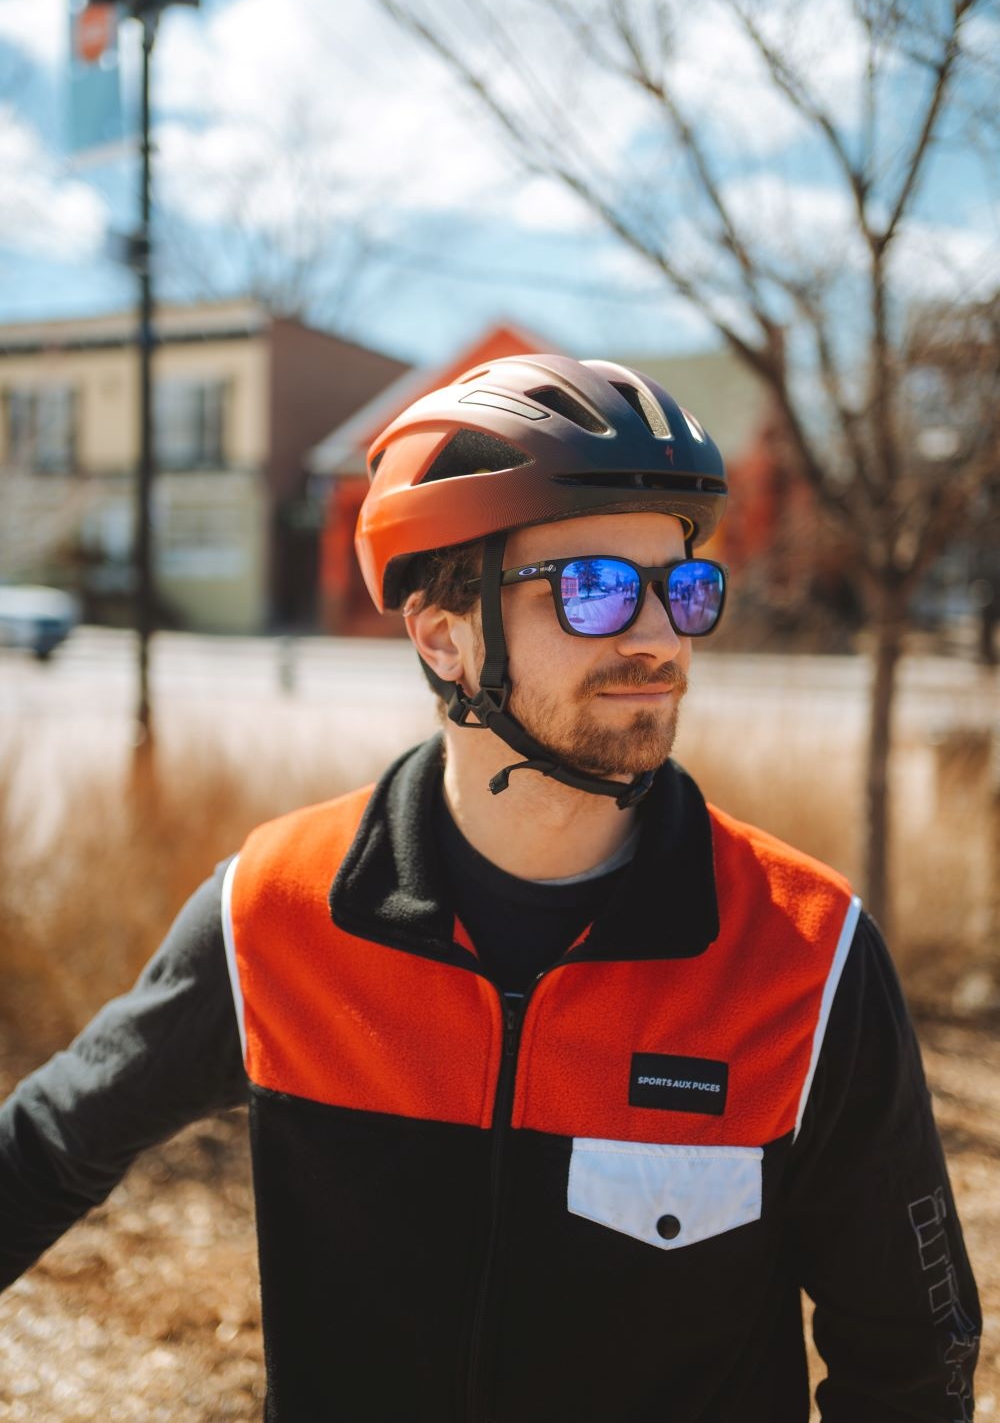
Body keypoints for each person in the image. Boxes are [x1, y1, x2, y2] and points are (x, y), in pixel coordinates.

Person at [0, 355, 980, 1421]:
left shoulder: (803, 952)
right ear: (442, 635)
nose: (659, 637)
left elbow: (910, 1360)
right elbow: (46, 1148)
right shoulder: (274, 916)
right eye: (593, 588)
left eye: (683, 587)